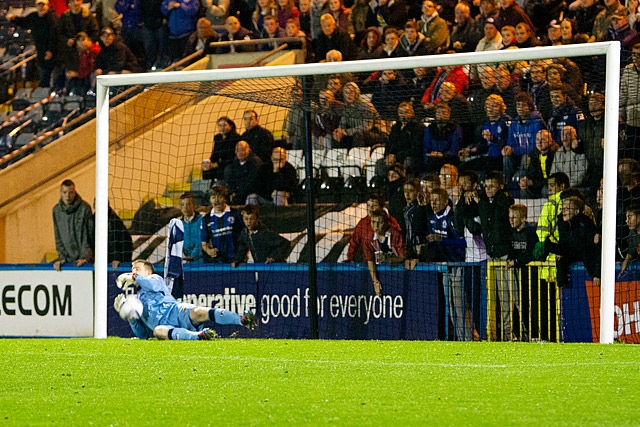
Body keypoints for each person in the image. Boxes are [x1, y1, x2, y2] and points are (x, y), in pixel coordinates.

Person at [114, 260, 256, 340]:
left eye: (137, 269)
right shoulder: (136, 301)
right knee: (157, 332)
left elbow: (150, 284)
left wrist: (134, 277)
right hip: (165, 326)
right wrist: (130, 317)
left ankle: (242, 320)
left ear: (148, 272)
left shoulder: (155, 279)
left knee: (198, 312)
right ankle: (200, 336)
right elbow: (143, 336)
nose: (133, 272)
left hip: (176, 311)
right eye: (132, 270)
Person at [477, 171, 514, 341]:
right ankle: (507, 334)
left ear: (500, 186)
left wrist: (481, 202)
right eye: (486, 186)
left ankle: (522, 332)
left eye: (492, 186)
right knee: (500, 299)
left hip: (506, 257)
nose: (488, 189)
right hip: (493, 258)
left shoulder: (505, 201)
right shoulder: (486, 202)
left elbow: (494, 214)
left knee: (513, 297)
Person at [542, 195, 601, 288]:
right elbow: (565, 245)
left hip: (589, 262)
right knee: (559, 257)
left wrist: (597, 274)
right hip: (573, 253)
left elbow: (596, 250)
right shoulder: (562, 223)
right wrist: (552, 247)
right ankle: (562, 285)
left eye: (567, 209)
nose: (563, 211)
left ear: (576, 211)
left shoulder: (586, 225)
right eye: (562, 208)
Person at [7, 0, 63, 89]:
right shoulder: (34, 17)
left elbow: (54, 36)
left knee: (56, 77)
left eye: (43, 5)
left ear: (47, 5)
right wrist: (14, 19)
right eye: (39, 5)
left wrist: (51, 50)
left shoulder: (52, 18)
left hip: (54, 53)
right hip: (41, 52)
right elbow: (24, 22)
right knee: (44, 78)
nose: (41, 7)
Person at [505, 203, 537, 341]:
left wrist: (517, 262)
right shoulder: (512, 233)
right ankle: (520, 333)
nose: (511, 220)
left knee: (530, 304)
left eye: (514, 217)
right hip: (518, 274)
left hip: (530, 275)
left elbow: (531, 253)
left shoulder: (530, 233)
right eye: (510, 217)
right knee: (518, 304)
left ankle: (533, 333)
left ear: (523, 219)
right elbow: (512, 250)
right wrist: (510, 259)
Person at [164, 193, 203, 299]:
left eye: (188, 204)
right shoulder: (177, 224)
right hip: (183, 265)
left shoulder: (201, 220)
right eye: (182, 205)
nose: (186, 207)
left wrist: (193, 256)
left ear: (194, 205)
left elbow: (201, 241)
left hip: (200, 263)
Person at [503, 92, 546, 184]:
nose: (520, 108)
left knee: (525, 157)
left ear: (530, 107)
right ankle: (506, 184)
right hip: (516, 155)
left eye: (523, 105)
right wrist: (507, 149)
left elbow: (534, 146)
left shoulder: (537, 122)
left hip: (532, 155)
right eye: (518, 105)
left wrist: (514, 150)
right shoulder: (513, 124)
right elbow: (510, 143)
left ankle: (523, 184)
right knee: (506, 157)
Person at [52, 179, 94, 271]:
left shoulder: (84, 208)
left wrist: (85, 257)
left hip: (84, 261)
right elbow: (58, 236)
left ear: (75, 192)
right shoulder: (56, 211)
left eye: (71, 192)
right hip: (67, 260)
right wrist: (62, 257)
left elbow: (88, 235)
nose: (68, 196)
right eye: (65, 192)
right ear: (60, 193)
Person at [346, 192, 400, 262]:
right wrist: (350, 258)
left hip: (388, 263)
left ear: (381, 207)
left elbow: (399, 241)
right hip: (369, 263)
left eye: (374, 205)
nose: (370, 208)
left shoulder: (391, 222)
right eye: (368, 205)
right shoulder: (363, 223)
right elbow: (354, 243)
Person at [365, 209, 406, 297]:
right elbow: (370, 259)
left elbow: (403, 257)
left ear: (386, 222)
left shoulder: (396, 234)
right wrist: (375, 281)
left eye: (379, 223)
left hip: (399, 274)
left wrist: (388, 259)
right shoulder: (368, 238)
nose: (376, 226)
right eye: (373, 222)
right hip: (382, 276)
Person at [201, 186, 244, 263]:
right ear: (210, 200)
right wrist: (209, 251)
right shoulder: (206, 219)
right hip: (218, 261)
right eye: (213, 197)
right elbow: (204, 243)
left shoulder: (236, 213)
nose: (216, 201)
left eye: (219, 197)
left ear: (225, 198)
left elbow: (246, 235)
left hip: (237, 260)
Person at [333, 82, 381, 149]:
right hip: (356, 133)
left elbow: (366, 127)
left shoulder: (366, 106)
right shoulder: (346, 107)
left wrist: (346, 132)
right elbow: (342, 123)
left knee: (358, 135)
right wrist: (339, 131)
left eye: (351, 92)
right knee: (336, 135)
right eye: (346, 93)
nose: (349, 95)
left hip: (376, 133)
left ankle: (358, 158)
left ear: (357, 93)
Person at [58, 0, 100, 73]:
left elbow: (95, 31)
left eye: (77, 0)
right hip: (71, 53)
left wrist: (88, 41)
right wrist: (67, 40)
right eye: (73, 1)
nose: (75, 3)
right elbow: (59, 33)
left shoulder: (88, 15)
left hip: (86, 52)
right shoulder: (65, 16)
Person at [422, 103, 462, 173]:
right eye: (438, 112)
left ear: (449, 115)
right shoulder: (430, 128)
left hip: (449, 159)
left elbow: (455, 148)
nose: (441, 115)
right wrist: (430, 154)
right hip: (432, 158)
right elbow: (426, 145)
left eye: (444, 113)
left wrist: (443, 155)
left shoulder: (455, 128)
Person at [520, 129, 559, 199]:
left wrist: (532, 182)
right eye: (537, 139)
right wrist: (525, 180)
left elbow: (553, 178)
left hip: (550, 183)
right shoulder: (533, 154)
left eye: (543, 140)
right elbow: (531, 173)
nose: (539, 142)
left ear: (550, 141)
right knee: (524, 189)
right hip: (537, 184)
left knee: (545, 190)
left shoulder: (556, 154)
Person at [202, 116, 242, 181]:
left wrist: (216, 164)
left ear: (230, 126)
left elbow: (231, 157)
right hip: (221, 163)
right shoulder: (217, 138)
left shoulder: (235, 138)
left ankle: (222, 186)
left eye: (224, 125)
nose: (222, 128)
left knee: (222, 169)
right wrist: (209, 163)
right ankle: (210, 186)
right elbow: (215, 154)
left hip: (231, 163)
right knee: (205, 168)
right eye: (220, 125)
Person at [223, 141, 263, 205]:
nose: (240, 153)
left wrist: (238, 194)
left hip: (252, 193)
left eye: (243, 150)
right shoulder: (234, 163)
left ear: (248, 150)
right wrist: (232, 192)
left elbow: (251, 182)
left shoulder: (255, 162)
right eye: (238, 150)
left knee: (250, 198)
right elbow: (231, 180)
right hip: (238, 193)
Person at [402, 178, 428, 269]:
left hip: (420, 246)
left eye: (411, 191)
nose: (407, 194)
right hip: (408, 246)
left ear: (417, 192)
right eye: (405, 191)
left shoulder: (422, 208)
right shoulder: (404, 210)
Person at [65, 31, 101, 96]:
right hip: (85, 76)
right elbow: (83, 67)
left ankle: (90, 94)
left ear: (88, 39)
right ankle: (69, 95)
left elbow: (92, 68)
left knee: (91, 75)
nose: (81, 43)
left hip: (96, 74)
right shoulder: (83, 52)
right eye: (79, 41)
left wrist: (77, 74)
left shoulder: (95, 50)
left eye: (83, 40)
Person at [619, 204, 640, 278]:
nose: (626, 221)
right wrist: (625, 263)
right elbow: (632, 250)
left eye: (629, 217)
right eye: (626, 218)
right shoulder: (632, 233)